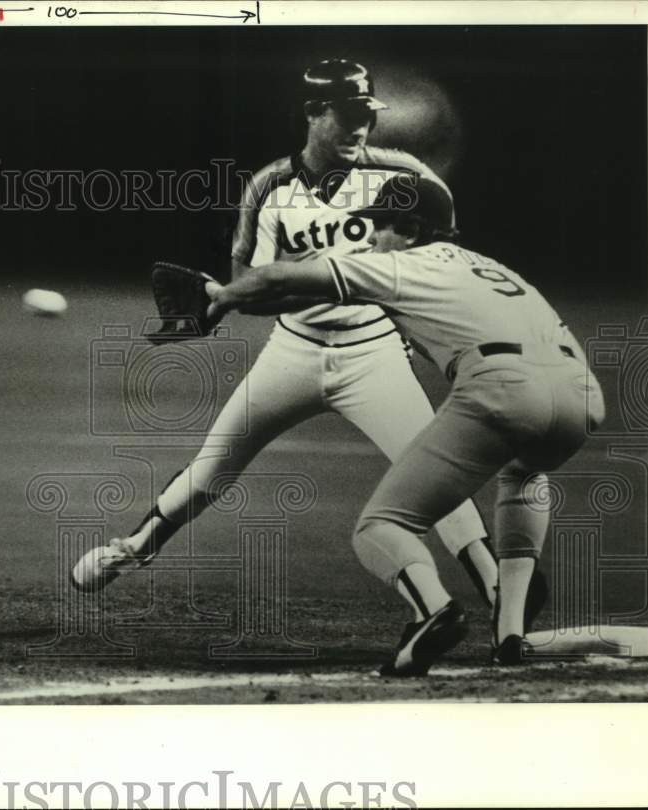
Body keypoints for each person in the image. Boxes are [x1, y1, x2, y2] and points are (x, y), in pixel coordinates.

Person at [73, 58, 543, 631]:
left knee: (429, 472)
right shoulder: (270, 188)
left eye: (366, 115)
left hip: (373, 353)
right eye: (345, 115)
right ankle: (132, 550)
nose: (359, 128)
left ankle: (498, 591)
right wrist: (223, 299)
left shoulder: (406, 175)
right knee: (214, 468)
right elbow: (248, 280)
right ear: (313, 113)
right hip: (291, 352)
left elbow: (436, 267)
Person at [204, 173, 605, 674]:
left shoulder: (402, 265)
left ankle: (434, 610)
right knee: (524, 471)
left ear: (412, 229)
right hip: (580, 394)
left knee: (380, 527)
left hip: (505, 386)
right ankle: (510, 634)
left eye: (380, 226)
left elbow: (279, 278)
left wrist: (222, 295)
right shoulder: (491, 266)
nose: (370, 237)